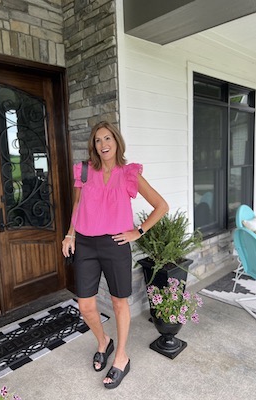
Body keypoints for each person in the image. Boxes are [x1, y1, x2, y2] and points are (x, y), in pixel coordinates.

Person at [62, 121, 169, 389]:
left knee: (119, 303)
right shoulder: (84, 170)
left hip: (115, 244)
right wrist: (70, 234)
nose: (103, 145)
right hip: (85, 244)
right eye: (98, 140)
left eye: (107, 138)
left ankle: (121, 356)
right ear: (93, 145)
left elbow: (161, 205)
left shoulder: (129, 173)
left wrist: (138, 231)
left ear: (116, 141)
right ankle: (103, 342)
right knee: (85, 305)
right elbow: (76, 204)